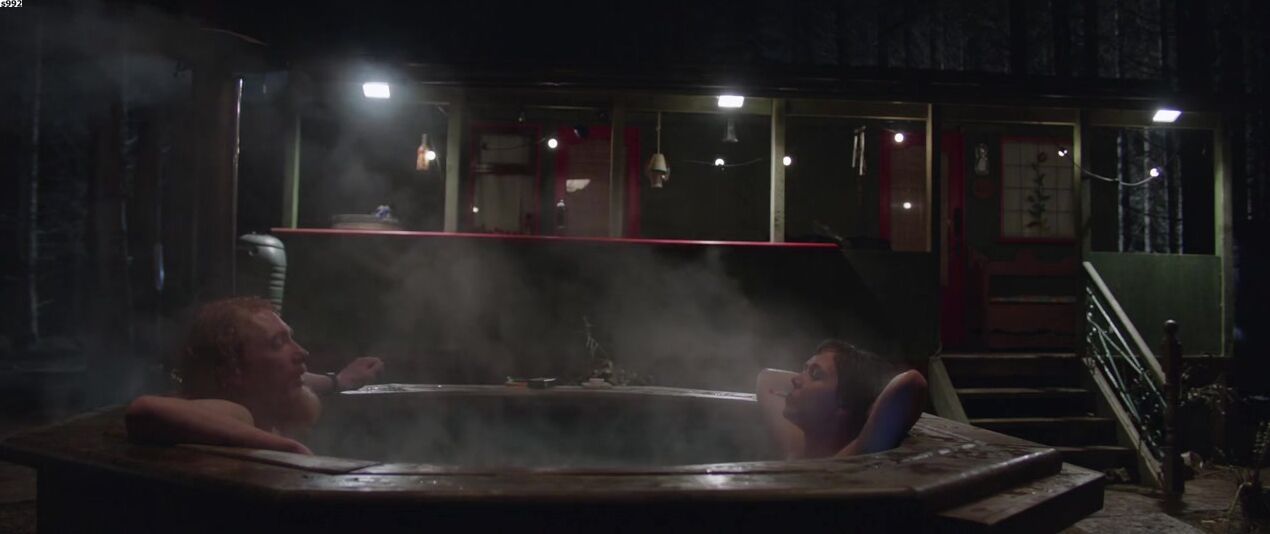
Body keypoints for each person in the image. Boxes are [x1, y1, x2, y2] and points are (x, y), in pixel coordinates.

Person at [125, 297, 384, 455]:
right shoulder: (238, 413)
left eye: (290, 338)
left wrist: (338, 381)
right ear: (233, 371)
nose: (301, 352)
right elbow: (144, 410)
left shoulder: (259, 390)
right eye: (277, 343)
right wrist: (287, 449)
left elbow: (300, 379)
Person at [757, 339, 927, 459]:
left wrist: (866, 405)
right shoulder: (797, 447)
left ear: (843, 404)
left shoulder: (848, 460)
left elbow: (913, 382)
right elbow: (768, 378)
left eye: (815, 374)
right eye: (804, 369)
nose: (795, 380)